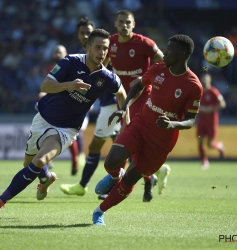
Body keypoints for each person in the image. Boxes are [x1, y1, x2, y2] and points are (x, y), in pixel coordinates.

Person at [0, 29, 129, 219]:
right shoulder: (71, 62)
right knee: (28, 163)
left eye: (105, 48)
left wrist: (123, 113)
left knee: (39, 161)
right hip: (44, 118)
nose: (101, 52)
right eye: (97, 47)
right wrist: (69, 85)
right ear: (88, 47)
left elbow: (122, 94)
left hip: (67, 129)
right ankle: (45, 179)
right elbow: (45, 86)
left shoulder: (107, 77)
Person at [91, 34, 203, 225]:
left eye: (169, 49)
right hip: (141, 123)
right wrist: (125, 107)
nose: (164, 52)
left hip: (161, 140)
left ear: (182, 54)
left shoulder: (193, 86)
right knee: (111, 161)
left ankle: (99, 212)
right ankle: (114, 174)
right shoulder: (158, 69)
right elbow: (138, 86)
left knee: (132, 178)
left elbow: (191, 120)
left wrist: (172, 124)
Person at [60, 9, 169, 202]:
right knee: (125, 143)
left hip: (143, 100)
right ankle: (151, 173)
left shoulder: (144, 43)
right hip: (122, 100)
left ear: (133, 24)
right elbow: (102, 66)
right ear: (115, 24)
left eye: (128, 22)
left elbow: (164, 62)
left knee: (127, 142)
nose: (124, 25)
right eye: (121, 22)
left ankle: (136, 178)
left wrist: (151, 77)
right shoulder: (111, 43)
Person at [60, 17, 123, 198]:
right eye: (83, 33)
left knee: (98, 146)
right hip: (104, 105)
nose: (86, 36)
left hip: (110, 104)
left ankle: (87, 185)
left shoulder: (102, 53)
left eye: (89, 32)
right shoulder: (81, 57)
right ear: (78, 36)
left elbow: (112, 79)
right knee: (121, 145)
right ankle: (151, 173)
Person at [197, 72, 226, 170]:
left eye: (206, 79)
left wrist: (211, 109)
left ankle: (219, 146)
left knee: (209, 144)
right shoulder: (199, 92)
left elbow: (222, 104)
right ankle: (204, 161)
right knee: (200, 140)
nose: (204, 81)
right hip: (202, 119)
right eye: (203, 79)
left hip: (211, 120)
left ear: (210, 80)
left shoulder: (214, 91)